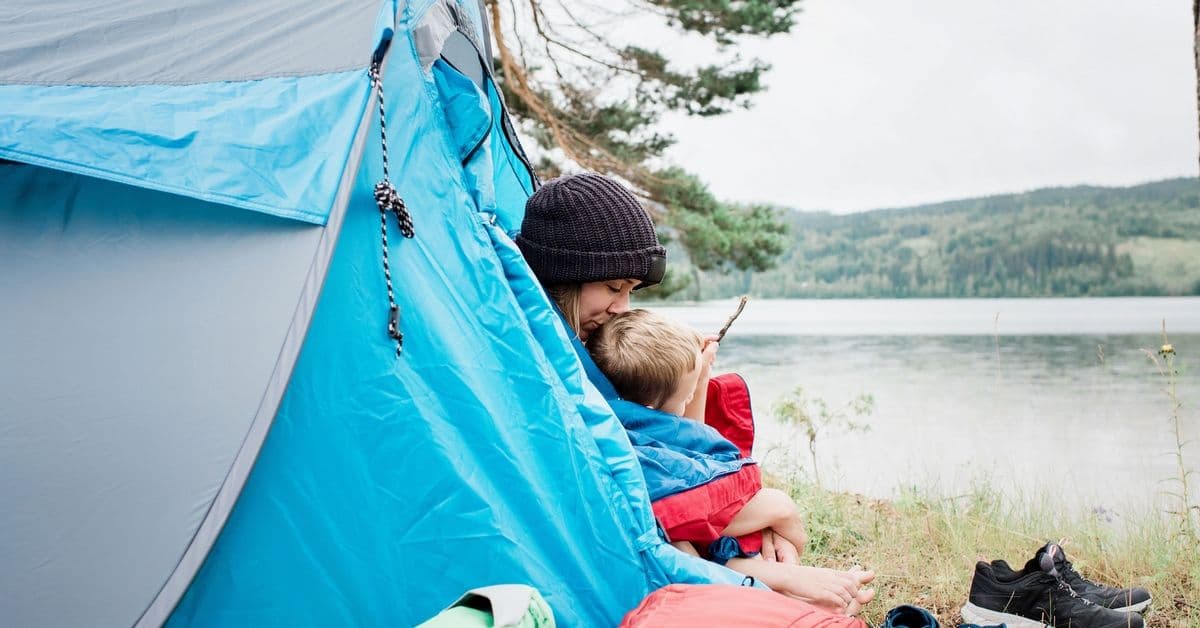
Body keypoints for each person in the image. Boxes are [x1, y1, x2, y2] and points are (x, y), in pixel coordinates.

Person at [516, 172, 875, 614]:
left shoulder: (580, 345)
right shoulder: (545, 357)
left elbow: (671, 445)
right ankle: (771, 585)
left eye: (630, 292)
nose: (622, 308)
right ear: (566, 278)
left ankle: (771, 579)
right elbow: (647, 489)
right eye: (613, 288)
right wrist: (776, 510)